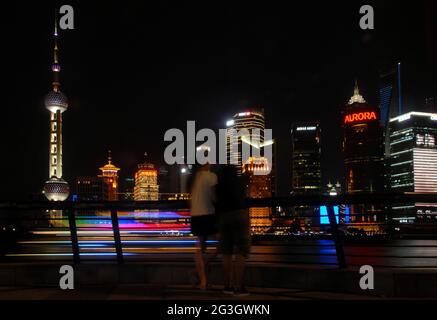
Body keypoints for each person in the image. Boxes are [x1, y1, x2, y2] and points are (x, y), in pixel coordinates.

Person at [215, 165, 251, 296]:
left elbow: (215, 202)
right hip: (240, 215)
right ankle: (239, 287)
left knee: (226, 252)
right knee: (241, 251)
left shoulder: (218, 186)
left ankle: (228, 286)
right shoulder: (240, 181)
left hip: (223, 217)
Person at [189, 163, 218, 290]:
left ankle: (202, 280)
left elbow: (190, 199)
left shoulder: (192, 177)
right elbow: (214, 196)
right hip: (209, 214)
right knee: (221, 245)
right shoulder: (212, 176)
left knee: (199, 249)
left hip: (195, 215)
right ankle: (201, 276)